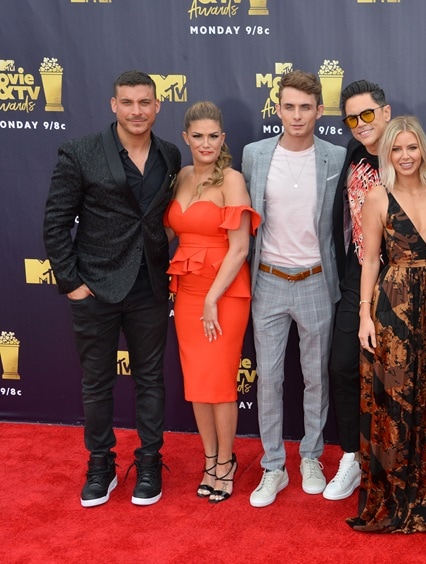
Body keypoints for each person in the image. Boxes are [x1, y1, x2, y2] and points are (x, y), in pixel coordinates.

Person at [43, 70, 181, 507]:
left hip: (150, 290)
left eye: (145, 102)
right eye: (128, 102)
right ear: (113, 105)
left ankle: (149, 461)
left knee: (151, 381)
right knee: (97, 383)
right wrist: (73, 285)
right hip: (96, 288)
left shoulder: (171, 155)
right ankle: (100, 464)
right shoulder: (81, 152)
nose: (137, 110)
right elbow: (55, 224)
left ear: (158, 106)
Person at [326, 80, 426, 501]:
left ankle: (415, 466)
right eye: (351, 119)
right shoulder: (351, 159)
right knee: (346, 367)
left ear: (386, 111)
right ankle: (352, 458)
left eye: (367, 115)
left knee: (417, 379)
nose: (360, 125)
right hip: (360, 277)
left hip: (419, 289)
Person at [350, 115, 426, 533]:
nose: (404, 156)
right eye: (396, 149)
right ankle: (399, 493)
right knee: (397, 398)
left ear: (424, 150)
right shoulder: (377, 198)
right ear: (388, 154)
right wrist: (365, 314)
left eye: (411, 147)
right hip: (394, 308)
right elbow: (369, 260)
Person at [243, 70, 346, 508]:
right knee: (267, 378)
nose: (297, 115)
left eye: (306, 107)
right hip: (267, 279)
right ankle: (272, 467)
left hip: (316, 281)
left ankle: (310, 457)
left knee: (315, 379)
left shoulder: (337, 158)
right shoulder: (254, 155)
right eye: (289, 106)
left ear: (320, 110)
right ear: (278, 108)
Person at [165, 101, 260, 503]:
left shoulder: (232, 180)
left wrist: (211, 299)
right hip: (185, 290)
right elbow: (167, 232)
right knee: (197, 384)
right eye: (198, 136)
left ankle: (226, 462)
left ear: (223, 138)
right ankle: (209, 460)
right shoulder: (182, 176)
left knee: (220, 384)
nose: (206, 143)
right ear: (186, 138)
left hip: (223, 294)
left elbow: (239, 248)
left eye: (213, 135)